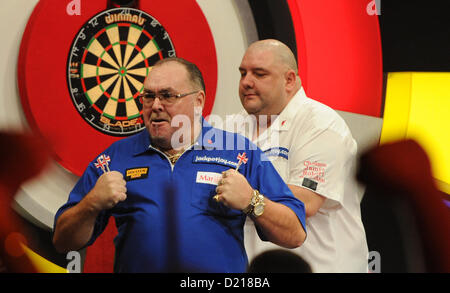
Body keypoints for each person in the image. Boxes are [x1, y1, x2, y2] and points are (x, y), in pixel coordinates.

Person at [52, 57, 306, 273]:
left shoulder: (239, 152)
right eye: (148, 96)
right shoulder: (114, 159)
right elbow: (62, 241)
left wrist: (252, 200)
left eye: (167, 96)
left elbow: (294, 233)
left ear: (198, 101)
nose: (156, 106)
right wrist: (90, 204)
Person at [226, 39, 368, 273]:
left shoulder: (320, 124)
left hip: (322, 267)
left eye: (259, 74)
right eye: (243, 73)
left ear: (289, 80)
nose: (246, 82)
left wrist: (245, 195)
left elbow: (304, 203)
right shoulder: (231, 126)